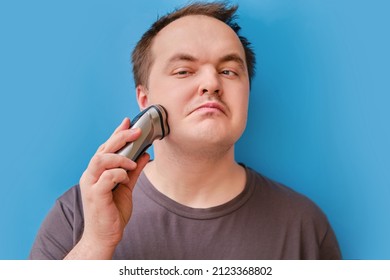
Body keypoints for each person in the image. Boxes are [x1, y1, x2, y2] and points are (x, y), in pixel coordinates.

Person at [29, 2, 341, 260]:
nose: (211, 83)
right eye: (184, 71)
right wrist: (96, 242)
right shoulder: (77, 214)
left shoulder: (304, 226)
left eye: (228, 71)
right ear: (145, 99)